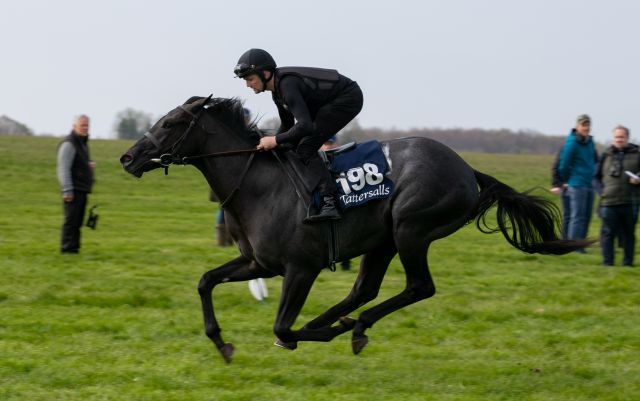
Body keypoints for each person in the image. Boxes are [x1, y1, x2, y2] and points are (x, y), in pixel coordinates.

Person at [234, 48, 364, 222]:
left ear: (265, 73)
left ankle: (329, 202)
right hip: (329, 102)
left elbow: (304, 126)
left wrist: (274, 140)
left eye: (250, 79)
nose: (248, 85)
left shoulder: (287, 85)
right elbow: (287, 125)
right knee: (290, 144)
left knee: (305, 147)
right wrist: (269, 146)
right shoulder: (277, 92)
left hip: (348, 98)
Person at [594, 125, 640, 266]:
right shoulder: (605, 155)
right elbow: (595, 178)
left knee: (628, 235)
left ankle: (627, 263)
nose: (619, 139)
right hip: (609, 202)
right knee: (608, 234)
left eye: (622, 137)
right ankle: (608, 263)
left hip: (629, 201)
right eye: (616, 137)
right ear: (613, 138)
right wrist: (601, 192)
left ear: (627, 138)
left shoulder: (637, 154)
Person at [557, 114, 598, 251]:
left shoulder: (590, 142)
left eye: (588, 125)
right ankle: (574, 247)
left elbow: (594, 160)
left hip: (589, 184)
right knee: (577, 217)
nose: (586, 128)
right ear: (577, 126)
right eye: (583, 125)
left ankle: (581, 246)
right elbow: (563, 165)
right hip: (576, 185)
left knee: (586, 216)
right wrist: (569, 179)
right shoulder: (572, 143)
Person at [57, 115, 94, 253]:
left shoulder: (81, 143)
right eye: (82, 125)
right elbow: (63, 168)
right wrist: (67, 190)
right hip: (73, 190)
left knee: (78, 221)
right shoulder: (69, 144)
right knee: (71, 221)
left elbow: (77, 164)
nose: (85, 128)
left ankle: (74, 247)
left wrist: (88, 165)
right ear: (74, 126)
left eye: (87, 125)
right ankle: (67, 248)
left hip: (81, 189)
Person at [550, 150, 571, 239]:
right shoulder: (566, 149)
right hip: (566, 186)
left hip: (580, 186)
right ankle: (565, 238)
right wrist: (557, 184)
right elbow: (556, 167)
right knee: (568, 214)